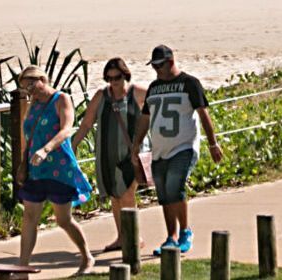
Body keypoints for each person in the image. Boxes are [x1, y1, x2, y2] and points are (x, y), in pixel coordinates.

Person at [134, 45, 222, 255]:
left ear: (171, 62)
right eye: (154, 66)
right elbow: (145, 118)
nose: (156, 70)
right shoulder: (154, 88)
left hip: (184, 147)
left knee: (175, 184)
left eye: (160, 65)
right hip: (159, 150)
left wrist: (212, 144)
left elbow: (203, 115)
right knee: (163, 193)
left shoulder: (189, 83)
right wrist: (135, 143)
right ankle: (171, 237)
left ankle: (185, 232)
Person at [15, 66, 94, 272]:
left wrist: (46, 149)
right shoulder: (33, 104)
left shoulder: (61, 99)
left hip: (59, 167)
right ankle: (23, 267)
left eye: (31, 85)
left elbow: (67, 129)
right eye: (25, 88)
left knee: (63, 220)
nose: (30, 91)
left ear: (43, 79)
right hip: (36, 169)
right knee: (30, 216)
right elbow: (27, 137)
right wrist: (24, 162)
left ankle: (86, 255)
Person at [73, 58, 149, 255]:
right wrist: (73, 146)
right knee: (115, 196)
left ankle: (134, 236)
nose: (114, 82)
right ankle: (121, 237)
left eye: (118, 77)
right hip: (107, 154)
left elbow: (157, 110)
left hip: (132, 154)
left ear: (126, 75)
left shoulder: (137, 92)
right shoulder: (102, 96)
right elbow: (87, 123)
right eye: (110, 78)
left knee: (127, 194)